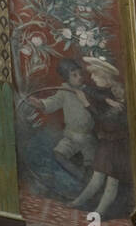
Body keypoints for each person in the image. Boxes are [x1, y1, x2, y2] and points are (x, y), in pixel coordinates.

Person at [69, 58, 130, 216]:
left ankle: (100, 212)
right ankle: (78, 202)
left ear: (105, 77)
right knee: (97, 176)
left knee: (112, 181)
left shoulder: (120, 97)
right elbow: (89, 90)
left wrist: (87, 105)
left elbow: (107, 122)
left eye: (96, 75)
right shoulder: (102, 92)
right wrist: (104, 99)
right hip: (106, 141)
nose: (93, 78)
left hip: (117, 143)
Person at [29, 57, 97, 186]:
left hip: (88, 136)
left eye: (80, 74)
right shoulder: (64, 92)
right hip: (71, 136)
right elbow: (54, 102)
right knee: (58, 154)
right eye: (74, 75)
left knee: (90, 162)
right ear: (66, 78)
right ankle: (81, 176)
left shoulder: (88, 90)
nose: (79, 77)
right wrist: (41, 104)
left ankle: (90, 183)